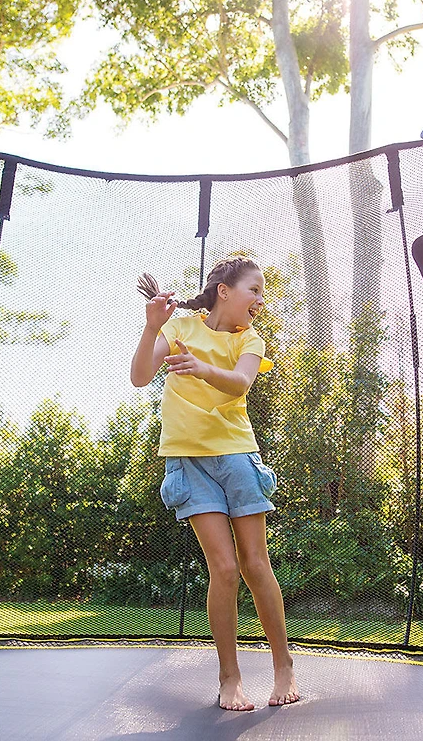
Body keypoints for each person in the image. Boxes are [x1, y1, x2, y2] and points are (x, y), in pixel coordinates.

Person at [130, 256, 299, 711]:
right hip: (189, 461)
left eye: (262, 292)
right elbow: (140, 377)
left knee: (255, 565)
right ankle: (230, 677)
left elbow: (240, 383)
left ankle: (283, 665)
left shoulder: (251, 338)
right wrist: (151, 329)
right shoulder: (180, 327)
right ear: (224, 290)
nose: (261, 300)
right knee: (223, 569)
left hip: (238, 457)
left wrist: (202, 368)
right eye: (255, 290)